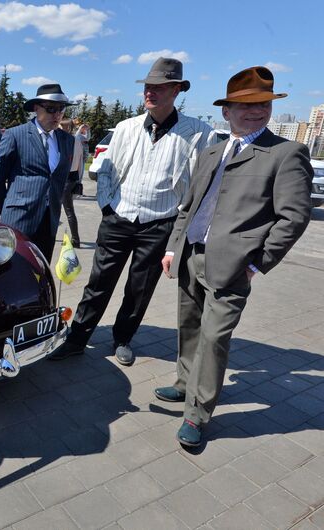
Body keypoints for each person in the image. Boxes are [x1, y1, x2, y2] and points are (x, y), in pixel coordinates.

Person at [158, 66, 312, 447]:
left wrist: (258, 262)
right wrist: (174, 246)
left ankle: (197, 412)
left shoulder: (286, 153)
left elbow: (293, 217)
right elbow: (187, 207)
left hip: (233, 267)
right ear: (226, 111)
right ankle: (184, 382)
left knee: (214, 337)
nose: (255, 111)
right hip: (192, 255)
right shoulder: (211, 152)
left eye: (262, 104)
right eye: (244, 105)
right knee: (190, 327)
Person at [49, 57, 217, 364]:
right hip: (119, 218)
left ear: (177, 89)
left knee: (140, 288)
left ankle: (122, 338)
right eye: (148, 86)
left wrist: (181, 226)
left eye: (159, 87)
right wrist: (106, 206)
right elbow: (105, 170)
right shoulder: (126, 128)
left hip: (160, 222)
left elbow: (200, 184)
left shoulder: (197, 133)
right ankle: (77, 338)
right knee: (99, 282)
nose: (150, 92)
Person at [0, 84, 75, 261]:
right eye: (51, 109)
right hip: (18, 219)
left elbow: (59, 179)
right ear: (36, 108)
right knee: (14, 272)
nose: (57, 115)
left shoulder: (67, 140)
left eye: (61, 109)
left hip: (49, 221)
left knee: (41, 272)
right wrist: (9, 208)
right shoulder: (15, 135)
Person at [60, 118, 82, 247]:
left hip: (66, 177)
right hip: (71, 177)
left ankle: (75, 239)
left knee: (67, 210)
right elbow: (79, 161)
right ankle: (75, 239)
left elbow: (73, 161)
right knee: (68, 210)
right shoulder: (75, 140)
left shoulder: (69, 140)